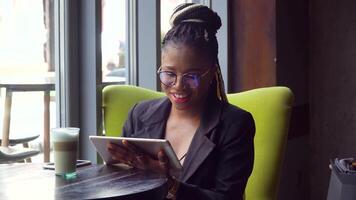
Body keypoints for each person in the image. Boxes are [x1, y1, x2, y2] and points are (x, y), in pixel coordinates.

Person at [107, 3, 255, 200]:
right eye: (169, 74)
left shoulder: (234, 125)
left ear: (211, 72)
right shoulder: (139, 115)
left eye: (191, 76)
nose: (178, 86)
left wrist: (169, 184)